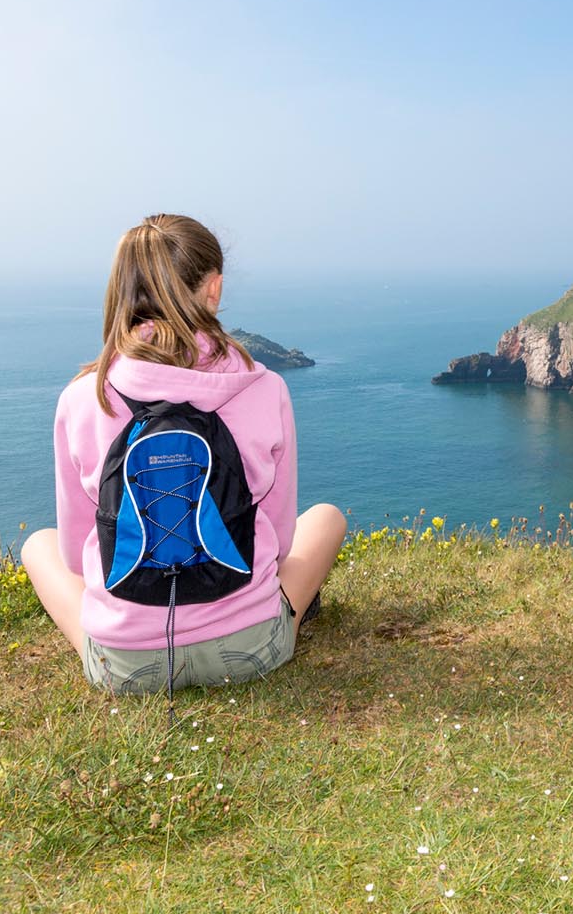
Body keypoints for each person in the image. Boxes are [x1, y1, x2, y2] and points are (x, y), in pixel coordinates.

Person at [21, 213, 345, 695]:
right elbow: (276, 542)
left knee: (38, 545)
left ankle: (116, 637)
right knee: (327, 518)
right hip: (251, 649)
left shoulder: (83, 397)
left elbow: (74, 555)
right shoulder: (264, 387)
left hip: (127, 669)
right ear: (213, 288)